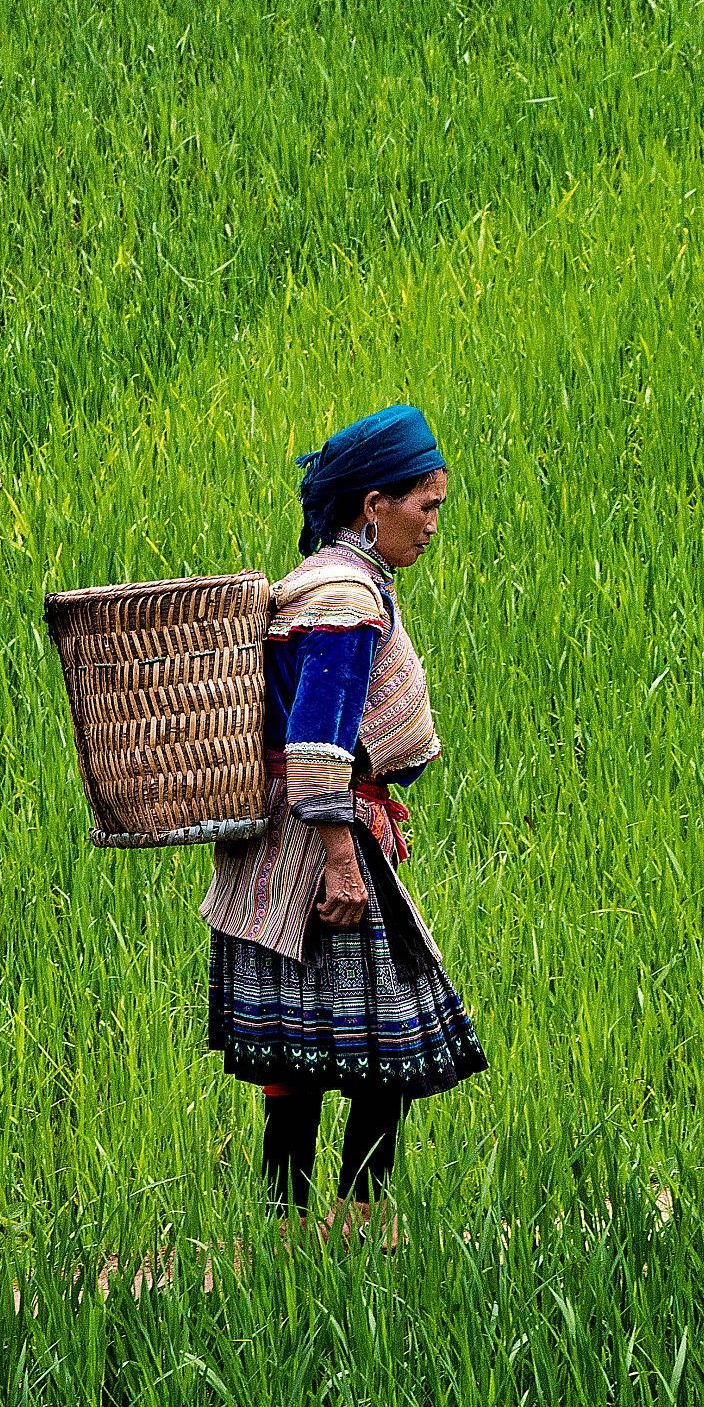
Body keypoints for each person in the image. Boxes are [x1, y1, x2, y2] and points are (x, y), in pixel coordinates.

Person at [201, 404, 486, 1243]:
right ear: (373, 504)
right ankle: (359, 1223)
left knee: (296, 1053)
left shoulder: (327, 583)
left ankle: (287, 1232)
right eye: (426, 506)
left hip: (273, 853)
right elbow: (319, 740)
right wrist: (341, 859)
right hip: (318, 847)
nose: (435, 525)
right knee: (389, 1040)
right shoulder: (344, 599)